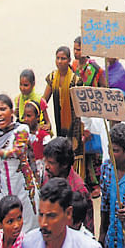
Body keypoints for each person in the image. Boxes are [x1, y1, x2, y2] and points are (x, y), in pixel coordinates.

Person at [0, 94, 39, 233]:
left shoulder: (22, 129)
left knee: (29, 230)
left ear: (12, 111)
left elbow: (17, 151)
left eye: (3, 109)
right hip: (4, 191)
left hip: (24, 190)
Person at [22, 178, 101, 248]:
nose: (43, 223)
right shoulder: (28, 242)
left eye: (51, 216)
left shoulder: (88, 245)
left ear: (68, 213)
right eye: (41, 215)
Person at [43, 46, 84, 175]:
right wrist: (46, 121)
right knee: (60, 149)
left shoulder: (75, 80)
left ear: (69, 60)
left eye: (63, 59)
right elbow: (44, 101)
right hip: (59, 121)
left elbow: (81, 106)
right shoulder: (52, 77)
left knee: (75, 153)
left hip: (74, 124)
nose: (60, 61)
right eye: (58, 58)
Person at [43, 137, 95, 234]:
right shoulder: (47, 177)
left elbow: (88, 225)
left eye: (51, 163)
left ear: (64, 164)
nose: (46, 166)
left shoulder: (78, 189)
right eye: (45, 161)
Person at [23, 100, 50, 187]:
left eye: (29, 116)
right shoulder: (22, 135)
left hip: (41, 171)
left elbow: (48, 157)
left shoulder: (44, 136)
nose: (26, 119)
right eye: (24, 116)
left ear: (37, 117)